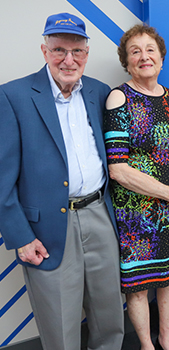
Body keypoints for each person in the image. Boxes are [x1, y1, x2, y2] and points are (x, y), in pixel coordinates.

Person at [0, 13, 124, 350]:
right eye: (58, 50)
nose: (68, 60)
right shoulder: (13, 96)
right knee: (59, 321)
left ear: (86, 53)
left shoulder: (100, 93)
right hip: (47, 228)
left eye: (76, 51)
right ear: (44, 51)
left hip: (100, 214)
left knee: (109, 313)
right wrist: (21, 237)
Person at [104, 24, 169, 350]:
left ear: (161, 57)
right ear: (126, 61)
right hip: (135, 214)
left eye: (150, 50)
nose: (144, 56)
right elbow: (118, 170)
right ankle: (146, 345)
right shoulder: (119, 98)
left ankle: (167, 340)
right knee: (139, 287)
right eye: (135, 51)